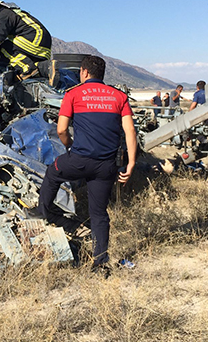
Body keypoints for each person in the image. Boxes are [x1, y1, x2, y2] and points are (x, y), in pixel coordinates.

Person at [38, 55, 137, 275]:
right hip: (106, 166)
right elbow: (130, 131)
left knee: (53, 172)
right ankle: (100, 261)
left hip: (79, 160)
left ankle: (42, 213)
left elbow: (62, 129)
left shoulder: (73, 94)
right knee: (99, 213)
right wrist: (130, 163)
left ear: (83, 73)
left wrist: (70, 146)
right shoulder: (119, 96)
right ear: (102, 74)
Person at [0, 0, 52, 80]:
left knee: (4, 47)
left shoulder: (3, 15)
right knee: (15, 49)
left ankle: (28, 69)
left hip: (35, 40)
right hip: (43, 44)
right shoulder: (11, 13)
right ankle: (45, 67)